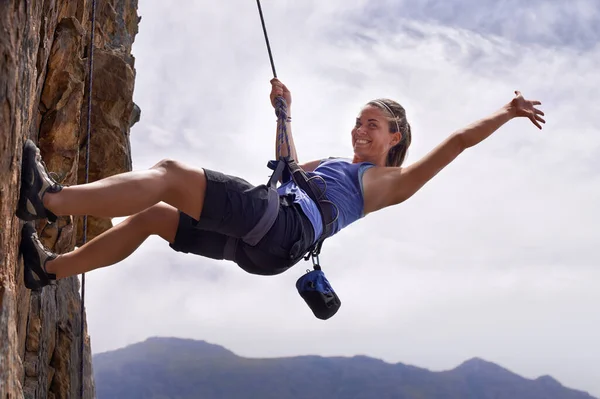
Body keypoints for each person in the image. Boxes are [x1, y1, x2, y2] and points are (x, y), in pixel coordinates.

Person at [17, 78, 545, 290]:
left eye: (372, 124)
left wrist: (507, 111)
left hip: (281, 226)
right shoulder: (337, 164)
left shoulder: (390, 182)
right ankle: (49, 269)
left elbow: (456, 142)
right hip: (273, 247)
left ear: (395, 137)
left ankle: (49, 201)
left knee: (172, 177)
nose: (360, 129)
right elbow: (286, 166)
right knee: (157, 218)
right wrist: (285, 113)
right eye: (358, 120)